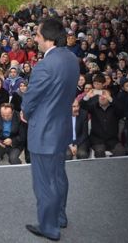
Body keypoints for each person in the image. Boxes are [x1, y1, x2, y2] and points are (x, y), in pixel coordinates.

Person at [21, 17, 79, 241]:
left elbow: (30, 99)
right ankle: (60, 217)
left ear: (48, 39)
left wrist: (24, 112)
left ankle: (49, 227)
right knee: (58, 176)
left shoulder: (44, 65)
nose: (35, 38)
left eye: (37, 34)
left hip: (44, 132)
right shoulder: (71, 58)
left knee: (44, 182)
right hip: (61, 128)